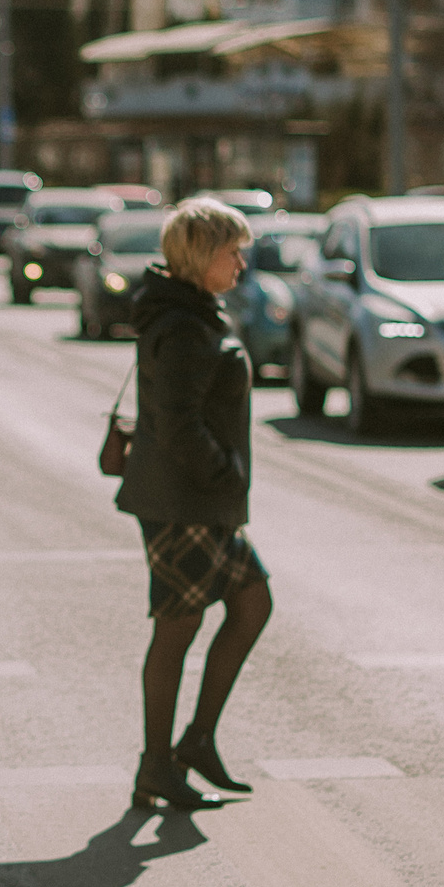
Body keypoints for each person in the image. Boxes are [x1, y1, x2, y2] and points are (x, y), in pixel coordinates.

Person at [116, 197, 271, 813]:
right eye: (233, 252)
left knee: (253, 602)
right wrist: (224, 470)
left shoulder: (192, 311)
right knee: (176, 631)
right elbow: (178, 425)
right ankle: (156, 766)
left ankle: (198, 741)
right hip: (186, 504)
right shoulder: (182, 325)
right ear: (204, 256)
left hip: (206, 504)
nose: (241, 263)